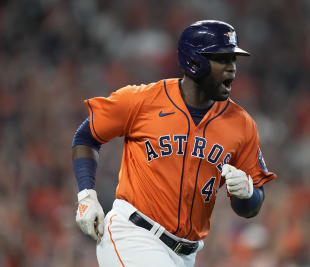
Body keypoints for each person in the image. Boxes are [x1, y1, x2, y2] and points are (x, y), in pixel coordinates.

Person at [72, 20, 277, 267]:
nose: (231, 68)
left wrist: (247, 193)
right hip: (134, 235)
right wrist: (87, 196)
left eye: (233, 60)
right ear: (193, 61)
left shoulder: (242, 125)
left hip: (185, 255)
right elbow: (86, 136)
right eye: (221, 59)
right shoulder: (142, 101)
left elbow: (249, 209)